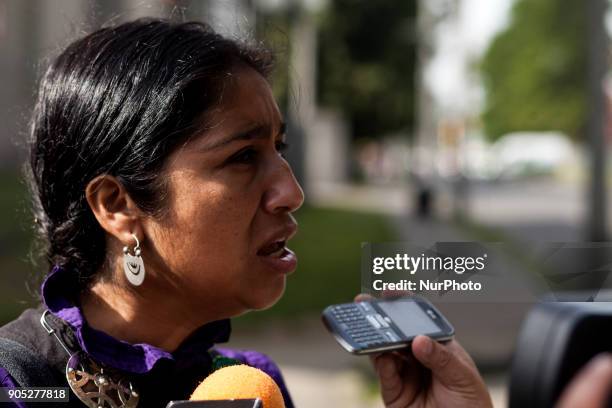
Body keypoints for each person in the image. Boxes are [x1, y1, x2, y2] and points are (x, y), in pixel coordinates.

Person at [0, 17, 609, 408]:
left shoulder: (253, 384)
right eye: (242, 158)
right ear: (119, 206)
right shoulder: (19, 386)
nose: (290, 191)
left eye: (279, 150)